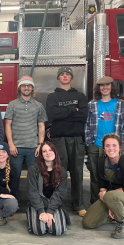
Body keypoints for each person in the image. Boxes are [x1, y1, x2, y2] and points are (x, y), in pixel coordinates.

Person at [46, 67, 88, 217]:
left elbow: (83, 115)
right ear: (58, 78)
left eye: (67, 74)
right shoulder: (52, 97)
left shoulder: (80, 96)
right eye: (62, 74)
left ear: (71, 77)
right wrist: (73, 110)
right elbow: (53, 115)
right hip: (59, 138)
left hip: (77, 138)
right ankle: (58, 203)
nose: (65, 76)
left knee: (77, 172)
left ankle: (78, 204)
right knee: (59, 173)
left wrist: (64, 113)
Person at [83, 134, 124, 239]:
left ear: (120, 148)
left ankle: (123, 223)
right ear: (104, 149)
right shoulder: (101, 161)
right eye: (107, 146)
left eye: (114, 145)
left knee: (110, 195)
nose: (111, 148)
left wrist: (106, 196)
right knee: (88, 223)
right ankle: (114, 214)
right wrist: (103, 191)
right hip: (110, 197)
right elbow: (101, 182)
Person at [85, 76, 124, 204]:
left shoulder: (121, 104)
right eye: (102, 85)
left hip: (114, 148)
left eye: (107, 85)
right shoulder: (92, 105)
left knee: (115, 177)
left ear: (112, 87)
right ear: (98, 88)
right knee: (95, 177)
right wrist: (89, 143)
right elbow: (87, 125)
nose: (105, 88)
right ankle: (95, 204)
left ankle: (113, 204)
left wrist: (122, 144)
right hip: (96, 146)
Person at [5, 75, 47, 189]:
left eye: (29, 85)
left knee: (34, 177)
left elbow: (41, 126)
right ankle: (13, 204)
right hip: (16, 148)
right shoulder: (12, 105)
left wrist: (40, 145)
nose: (26, 88)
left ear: (32, 88)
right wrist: (11, 144)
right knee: (14, 177)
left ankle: (34, 204)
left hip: (33, 148)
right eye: (24, 85)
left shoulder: (39, 106)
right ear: (20, 88)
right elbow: (8, 125)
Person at [26, 141, 68, 236]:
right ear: (41, 155)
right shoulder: (33, 169)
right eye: (44, 151)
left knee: (58, 231)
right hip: (37, 203)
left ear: (55, 152)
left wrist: (50, 211)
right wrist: (41, 211)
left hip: (53, 203)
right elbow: (32, 192)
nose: (48, 153)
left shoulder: (62, 171)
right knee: (39, 230)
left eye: (50, 150)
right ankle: (32, 215)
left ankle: (52, 217)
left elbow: (61, 193)